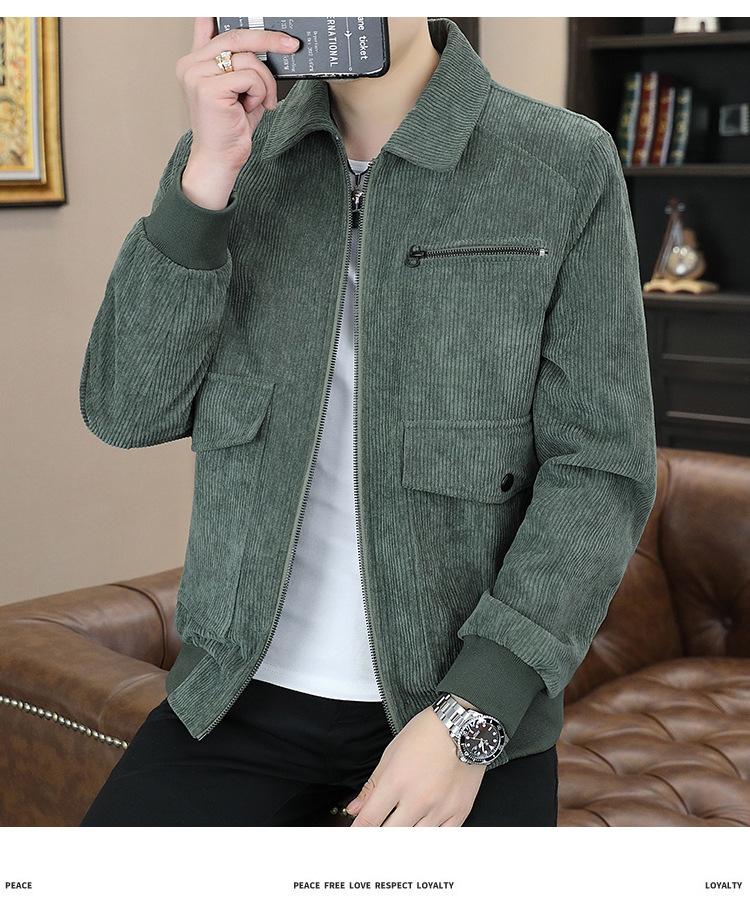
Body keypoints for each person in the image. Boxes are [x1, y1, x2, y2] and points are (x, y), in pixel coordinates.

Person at [78, 16, 657, 827]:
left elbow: (601, 469)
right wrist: (206, 176)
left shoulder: (562, 161)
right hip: (234, 699)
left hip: (456, 705)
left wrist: (471, 716)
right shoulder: (229, 159)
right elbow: (125, 409)